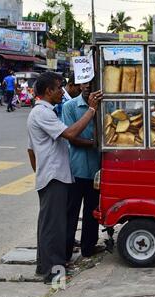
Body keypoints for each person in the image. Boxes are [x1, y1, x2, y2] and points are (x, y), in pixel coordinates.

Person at [27, 72, 103, 284]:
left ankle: (44, 265)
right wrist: (92, 110)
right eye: (59, 88)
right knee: (55, 226)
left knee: (49, 224)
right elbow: (71, 134)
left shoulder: (41, 112)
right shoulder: (43, 113)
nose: (63, 92)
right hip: (54, 177)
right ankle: (53, 273)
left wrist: (39, 171)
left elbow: (30, 150)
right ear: (48, 91)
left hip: (51, 175)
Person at [61, 81, 102, 262]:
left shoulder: (104, 105)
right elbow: (72, 138)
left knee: (92, 211)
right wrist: (97, 144)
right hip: (75, 169)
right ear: (78, 86)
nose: (87, 88)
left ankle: (88, 248)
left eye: (91, 85)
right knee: (71, 212)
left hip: (96, 170)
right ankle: (65, 251)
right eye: (84, 85)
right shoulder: (69, 107)